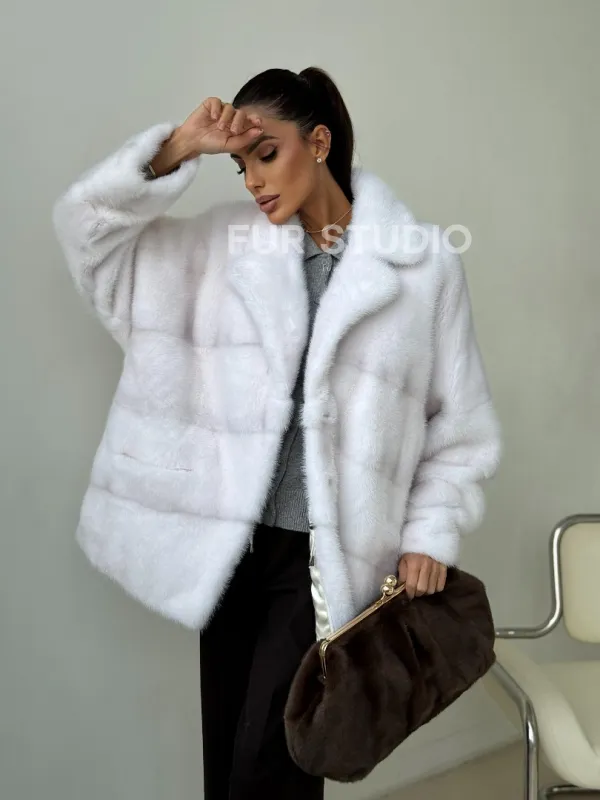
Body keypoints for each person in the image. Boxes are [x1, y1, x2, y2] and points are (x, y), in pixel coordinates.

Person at [53, 66, 502, 800]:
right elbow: (88, 238)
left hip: (321, 561)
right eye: (240, 165)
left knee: (269, 769)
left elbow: (458, 425)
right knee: (228, 758)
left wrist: (430, 533)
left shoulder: (421, 266)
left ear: (318, 142)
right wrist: (176, 148)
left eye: (266, 154)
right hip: (231, 549)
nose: (254, 181)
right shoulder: (222, 250)